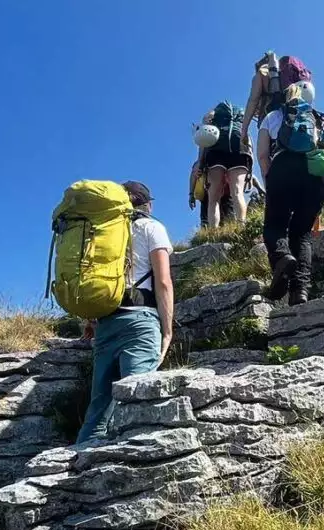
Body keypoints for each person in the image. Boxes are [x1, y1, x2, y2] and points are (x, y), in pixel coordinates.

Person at [77, 181, 174, 443]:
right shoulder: (151, 227)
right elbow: (163, 281)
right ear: (147, 204)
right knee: (138, 399)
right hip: (140, 321)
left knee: (99, 408)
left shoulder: (103, 232)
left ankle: (77, 468)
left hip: (106, 321)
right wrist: (167, 330)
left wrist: (90, 318)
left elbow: (92, 277)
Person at [256, 84, 324, 306]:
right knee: (302, 233)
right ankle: (300, 292)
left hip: (283, 167)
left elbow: (262, 156)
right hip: (316, 173)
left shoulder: (272, 116)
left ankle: (281, 258)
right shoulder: (317, 120)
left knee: (275, 225)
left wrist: (272, 183)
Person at [192, 106, 252, 228]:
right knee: (237, 192)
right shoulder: (239, 124)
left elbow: (204, 144)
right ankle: (242, 226)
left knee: (213, 196)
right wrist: (250, 167)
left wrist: (200, 162)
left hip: (216, 154)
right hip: (239, 151)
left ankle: (213, 231)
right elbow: (248, 143)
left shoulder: (211, 120)